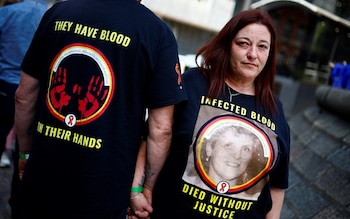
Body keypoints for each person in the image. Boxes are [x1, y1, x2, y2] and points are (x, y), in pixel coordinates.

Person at [14, 0, 186, 218]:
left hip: (41, 177)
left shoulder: (59, 12)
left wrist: (25, 153)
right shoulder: (157, 33)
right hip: (104, 191)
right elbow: (161, 129)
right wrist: (144, 188)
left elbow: (23, 96)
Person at [129, 9, 290, 219]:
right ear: (227, 45)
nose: (253, 54)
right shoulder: (194, 83)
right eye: (243, 43)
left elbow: (277, 184)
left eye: (262, 47)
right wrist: (137, 191)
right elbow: (152, 136)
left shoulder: (274, 109)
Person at [0, 0, 47, 217]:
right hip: (35, 94)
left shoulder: (8, 12)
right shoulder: (48, 16)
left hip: (3, 85)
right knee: (24, 154)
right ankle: (18, 205)